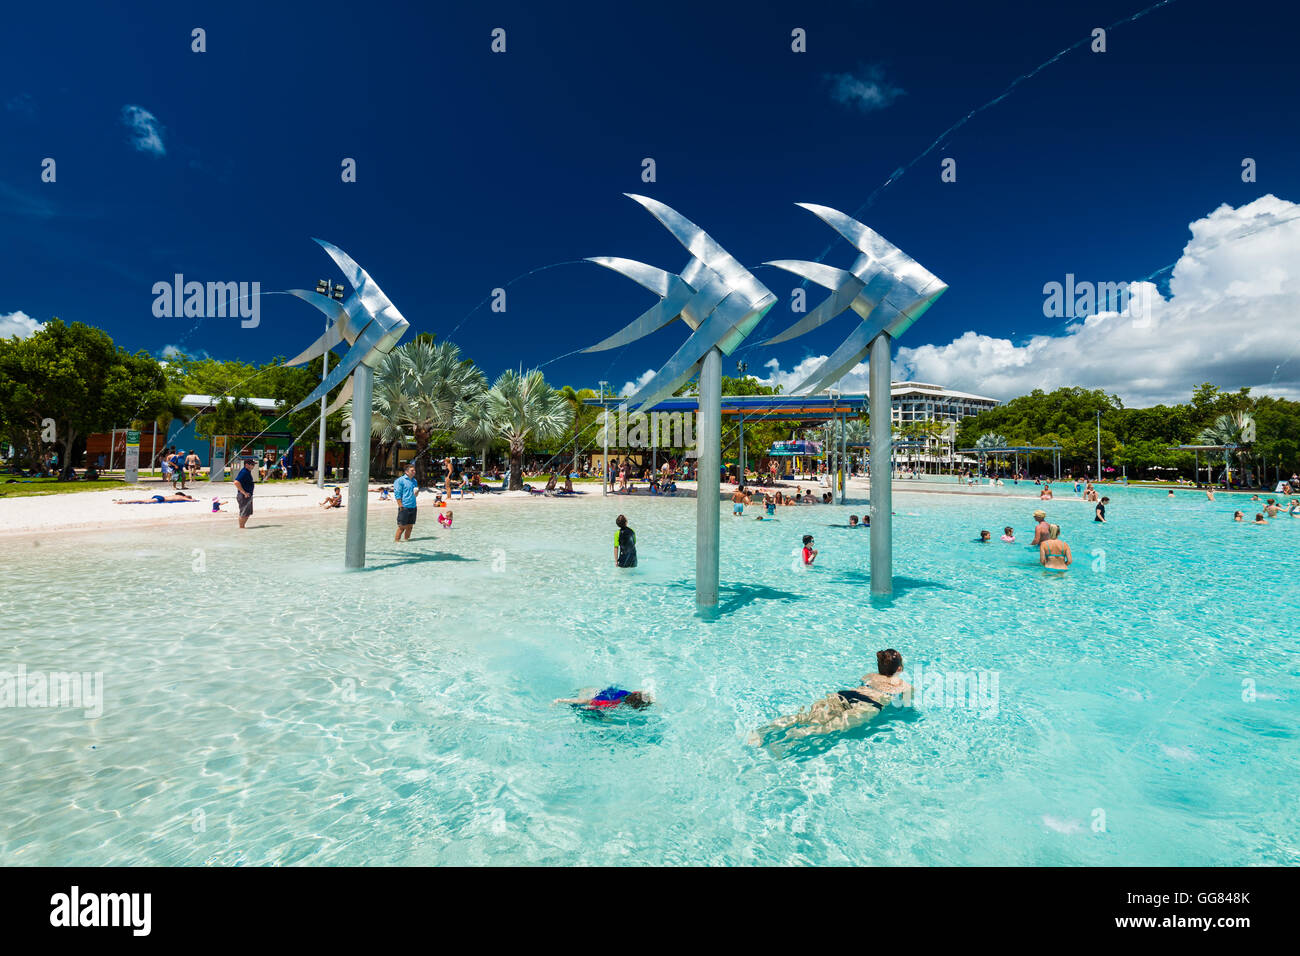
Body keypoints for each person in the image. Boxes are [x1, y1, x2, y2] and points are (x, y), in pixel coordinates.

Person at [748, 649, 912, 750]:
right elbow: (905, 708)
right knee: (825, 729)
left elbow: (864, 685)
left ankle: (762, 731)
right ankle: (783, 742)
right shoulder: (904, 686)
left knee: (806, 717)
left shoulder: (869, 676)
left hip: (846, 695)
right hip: (869, 705)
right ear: (899, 668)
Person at [554, 687, 653, 711]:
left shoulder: (629, 693)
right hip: (586, 694)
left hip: (596, 690)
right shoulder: (613, 703)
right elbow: (585, 701)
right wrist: (561, 700)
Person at [391, 464, 419, 541]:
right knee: (401, 527)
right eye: (412, 470)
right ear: (406, 471)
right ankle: (397, 542)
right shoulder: (399, 481)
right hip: (404, 506)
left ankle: (407, 542)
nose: (414, 472)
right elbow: (397, 494)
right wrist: (401, 506)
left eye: (414, 470)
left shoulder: (414, 481)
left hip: (413, 506)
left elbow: (415, 494)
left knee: (410, 527)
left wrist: (416, 493)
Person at [234, 457, 255, 529]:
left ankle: (242, 528)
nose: (253, 466)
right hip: (244, 496)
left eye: (254, 464)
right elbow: (236, 482)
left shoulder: (247, 472)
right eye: (252, 464)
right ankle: (241, 528)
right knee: (244, 513)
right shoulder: (244, 472)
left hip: (247, 496)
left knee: (247, 513)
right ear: (247, 465)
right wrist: (244, 493)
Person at [115, 492, 196, 504]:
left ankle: (125, 501)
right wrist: (194, 500)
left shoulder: (176, 495)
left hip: (160, 496)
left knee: (144, 500)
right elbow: (190, 500)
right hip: (161, 499)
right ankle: (124, 502)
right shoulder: (182, 497)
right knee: (143, 501)